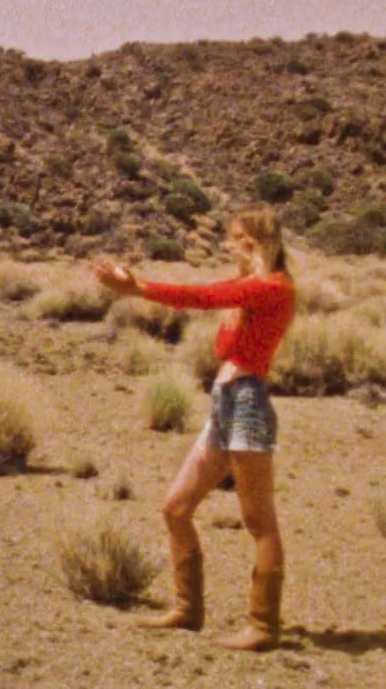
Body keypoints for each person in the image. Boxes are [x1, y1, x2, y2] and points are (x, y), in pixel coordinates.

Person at [89, 204, 296, 652]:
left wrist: (137, 287)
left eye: (234, 238)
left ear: (252, 241)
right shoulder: (250, 289)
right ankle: (188, 608)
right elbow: (219, 320)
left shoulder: (274, 287)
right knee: (176, 507)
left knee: (259, 520)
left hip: (247, 404)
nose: (228, 246)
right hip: (225, 403)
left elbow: (202, 297)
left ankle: (263, 625)